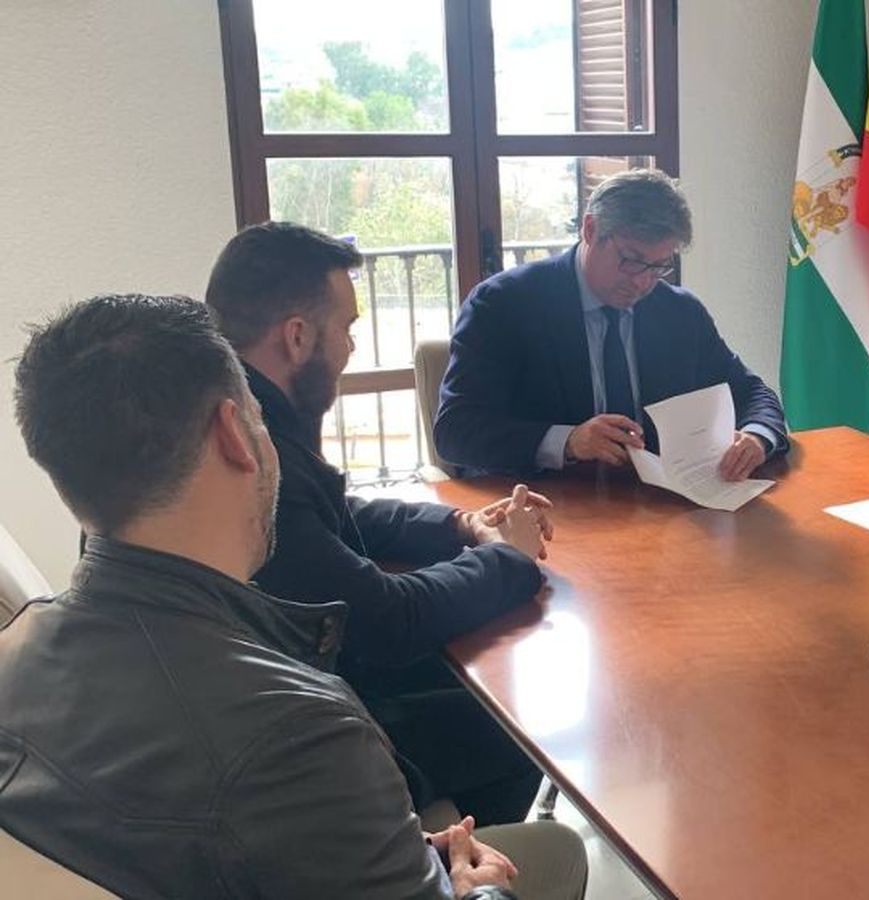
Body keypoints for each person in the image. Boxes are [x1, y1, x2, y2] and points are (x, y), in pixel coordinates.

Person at [0, 294, 587, 898]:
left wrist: (399, 846)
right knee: (560, 849)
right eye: (260, 418)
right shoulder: (303, 731)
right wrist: (479, 889)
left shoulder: (17, 647)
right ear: (234, 433)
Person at [204, 221, 552, 825]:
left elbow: (340, 514)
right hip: (311, 736)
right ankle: (451, 859)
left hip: (294, 686)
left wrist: (461, 524)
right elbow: (390, 620)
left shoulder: (236, 411)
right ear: (296, 336)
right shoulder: (250, 455)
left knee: (483, 677)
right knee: (518, 721)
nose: (351, 348)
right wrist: (508, 557)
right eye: (347, 328)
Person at [435, 168, 788, 479]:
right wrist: (568, 441)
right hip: (547, 503)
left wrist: (757, 437)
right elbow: (455, 430)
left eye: (660, 266)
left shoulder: (679, 312)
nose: (643, 282)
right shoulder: (505, 304)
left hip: (655, 505)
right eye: (631, 260)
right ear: (591, 229)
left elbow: (752, 393)